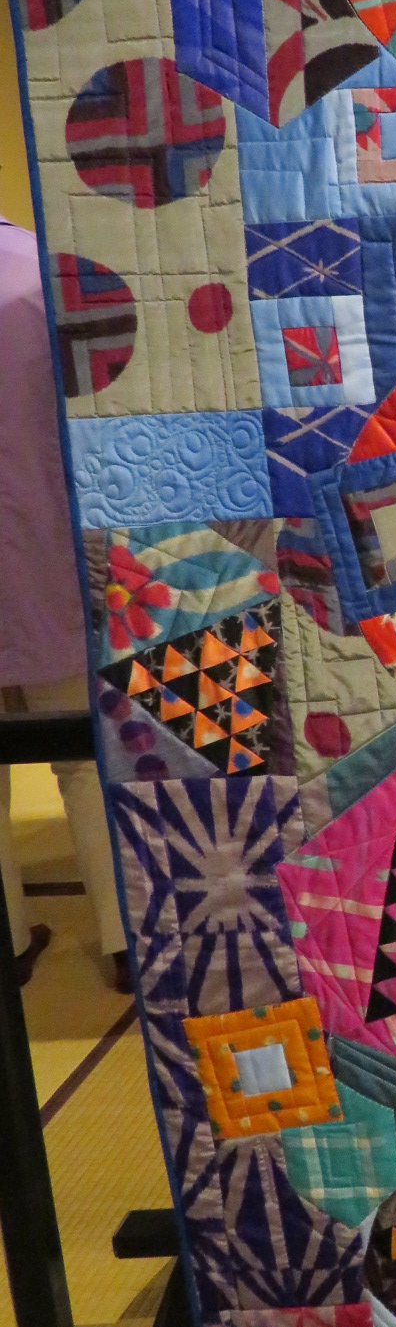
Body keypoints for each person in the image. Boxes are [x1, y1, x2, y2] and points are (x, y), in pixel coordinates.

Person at [0, 217, 128, 991]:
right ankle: (125, 940)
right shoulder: (39, 270)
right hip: (43, 552)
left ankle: (8, 940)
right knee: (84, 754)